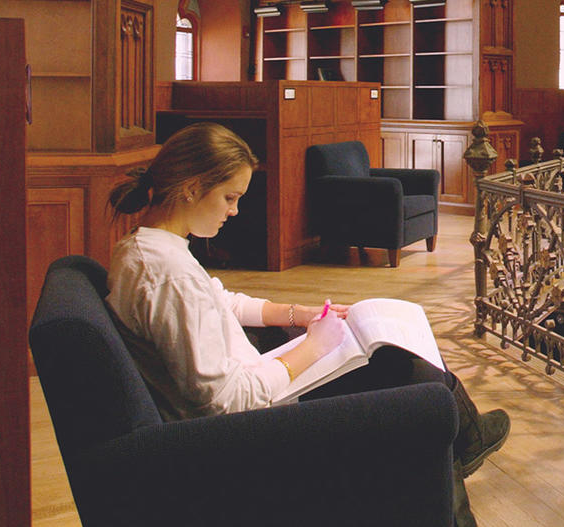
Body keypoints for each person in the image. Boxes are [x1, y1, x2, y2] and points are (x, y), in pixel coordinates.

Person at [106, 121, 508, 525]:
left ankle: (463, 440)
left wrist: (300, 313)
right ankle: (462, 448)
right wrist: (314, 345)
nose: (235, 210)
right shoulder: (167, 274)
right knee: (421, 396)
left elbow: (219, 303)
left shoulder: (149, 250)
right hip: (250, 432)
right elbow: (225, 401)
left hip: (256, 390)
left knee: (403, 362)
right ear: (192, 186)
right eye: (230, 197)